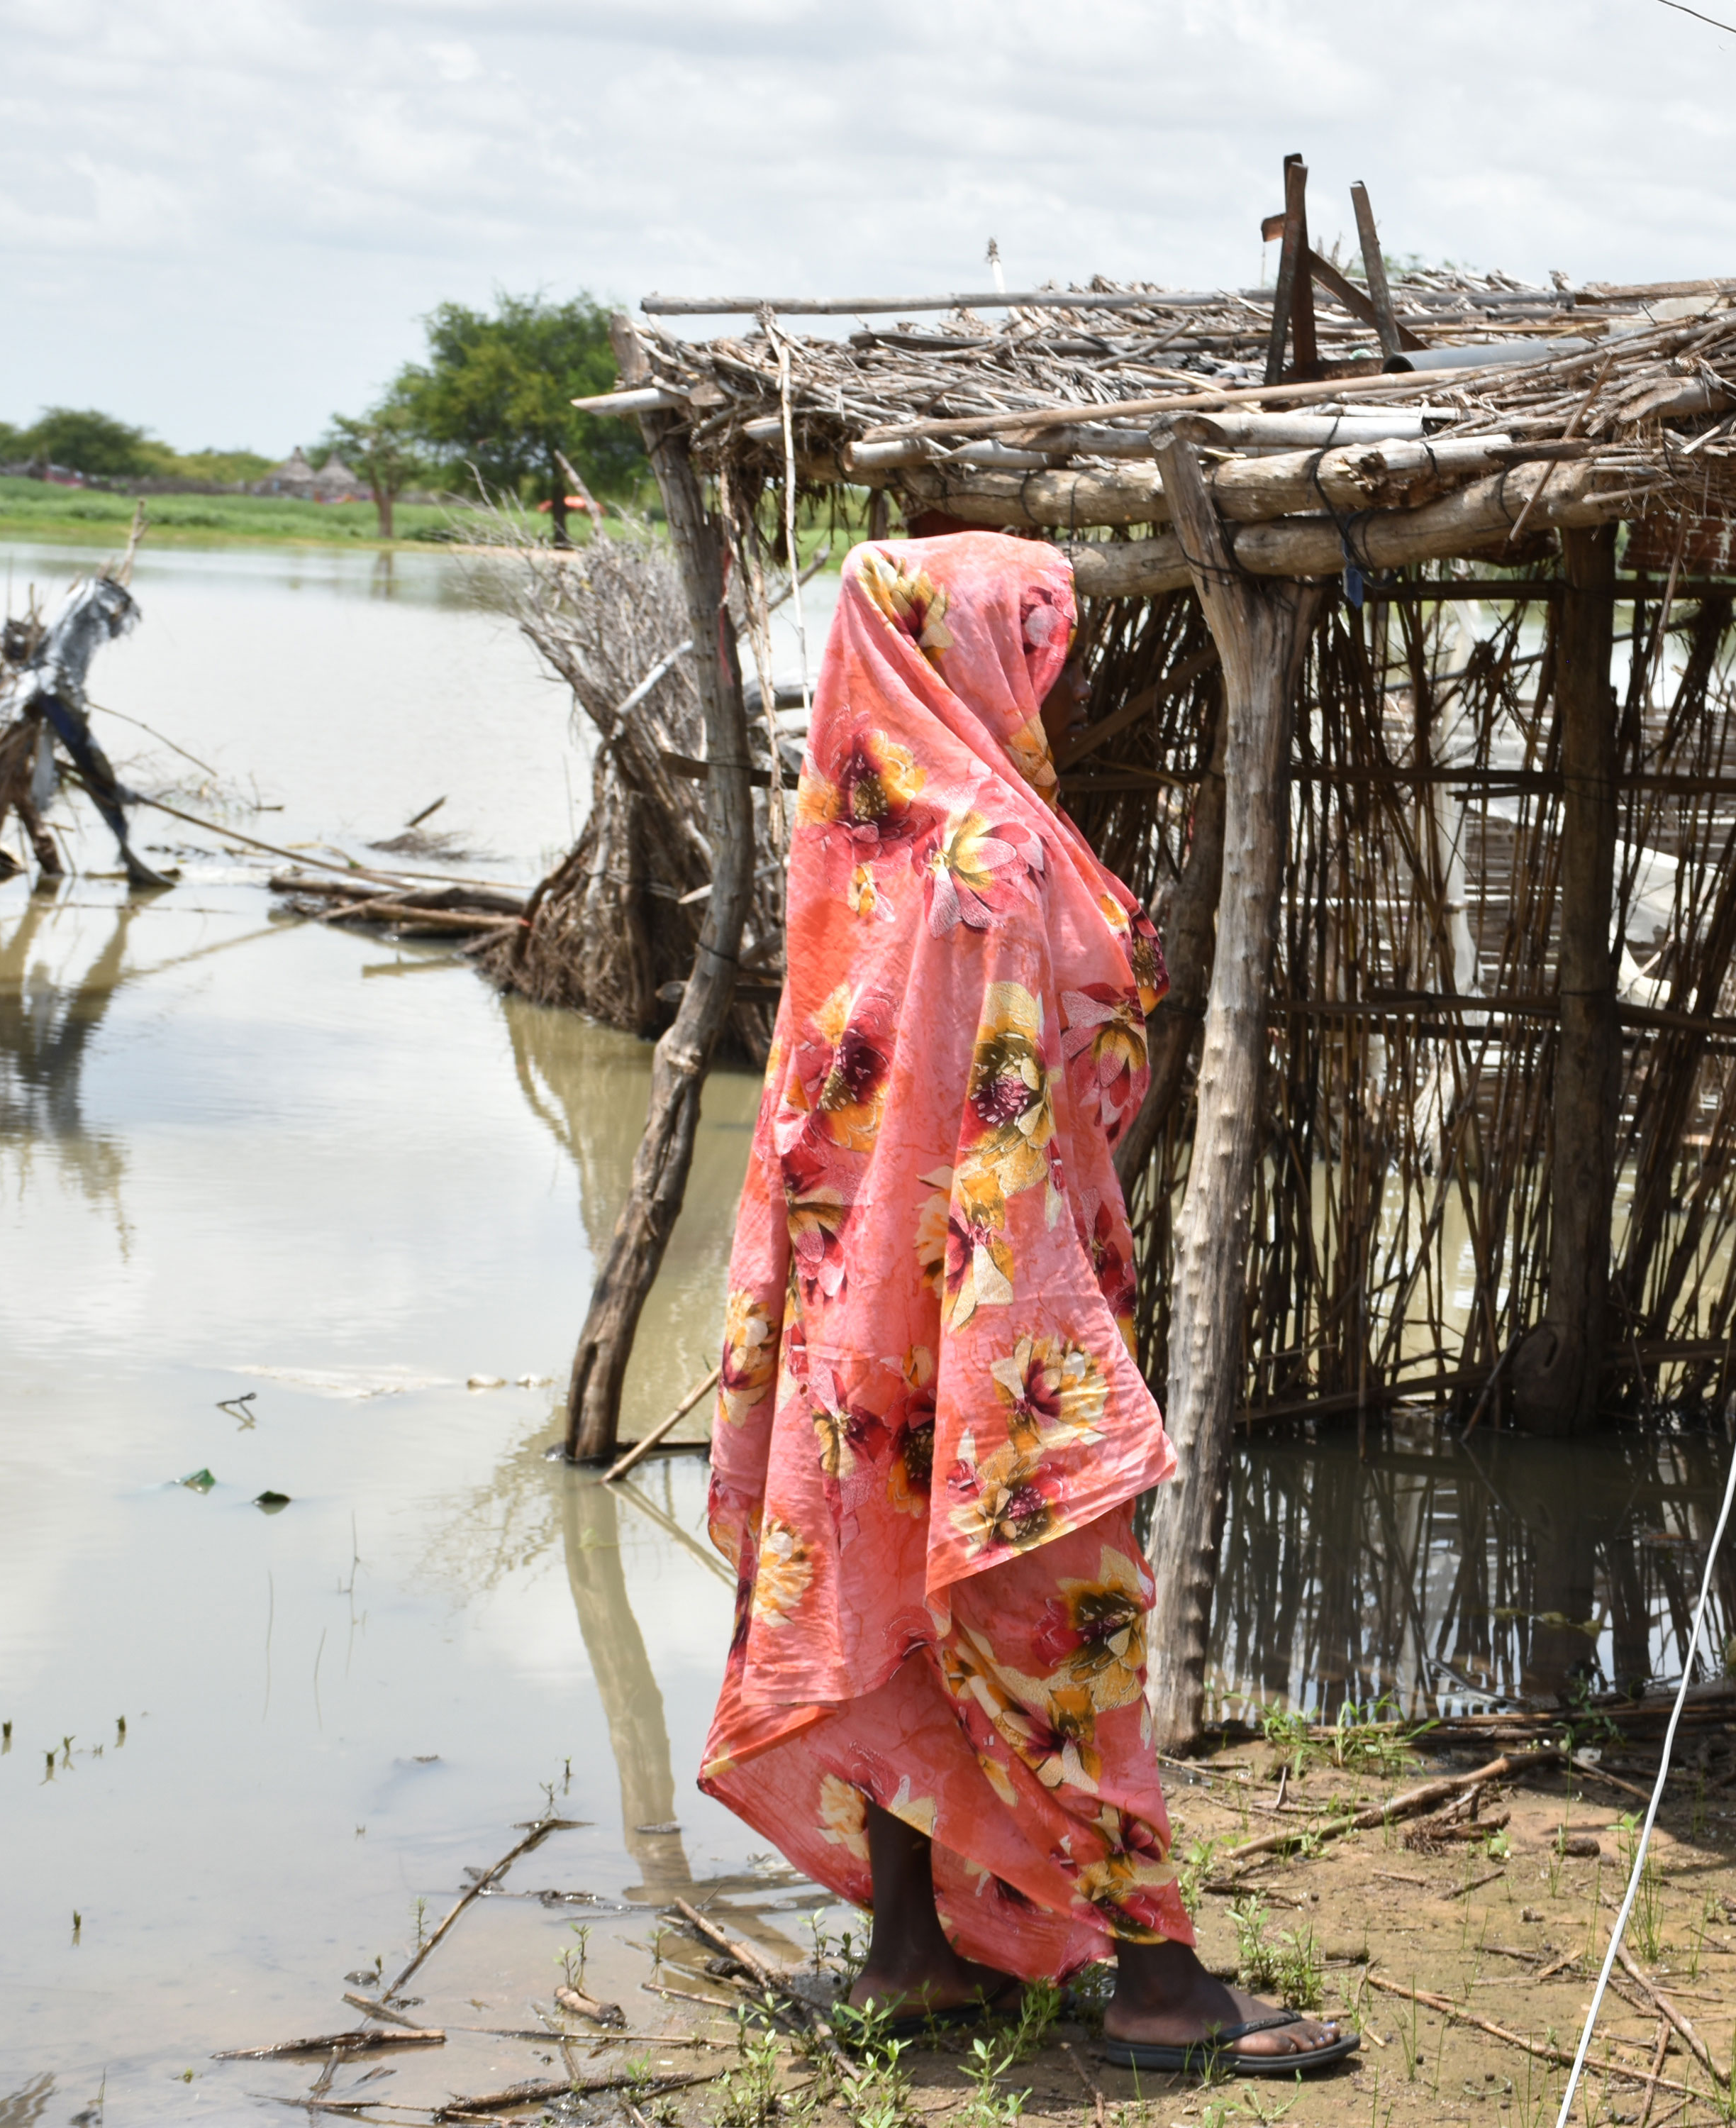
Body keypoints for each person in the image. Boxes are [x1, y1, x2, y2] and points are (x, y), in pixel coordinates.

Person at [695, 530, 1352, 2075]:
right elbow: (1024, 1117)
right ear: (972, 652)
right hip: (992, 1311)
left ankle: (911, 1955)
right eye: (1027, 638)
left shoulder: (860, 836)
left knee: (884, 1606)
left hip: (853, 1320)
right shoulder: (994, 848)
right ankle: (1158, 1988)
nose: (1042, 664)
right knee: (1062, 1623)